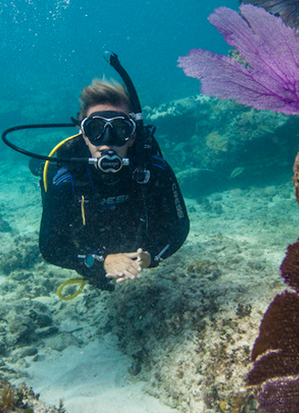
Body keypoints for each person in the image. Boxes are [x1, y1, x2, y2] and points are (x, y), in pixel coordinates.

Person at [38, 78, 189, 288]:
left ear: (133, 135)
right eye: (96, 128)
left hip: (133, 240)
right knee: (40, 168)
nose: (107, 141)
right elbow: (50, 248)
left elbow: (179, 228)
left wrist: (151, 256)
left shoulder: (154, 170)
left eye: (120, 129)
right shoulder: (66, 179)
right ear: (84, 134)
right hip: (90, 244)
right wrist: (100, 261)